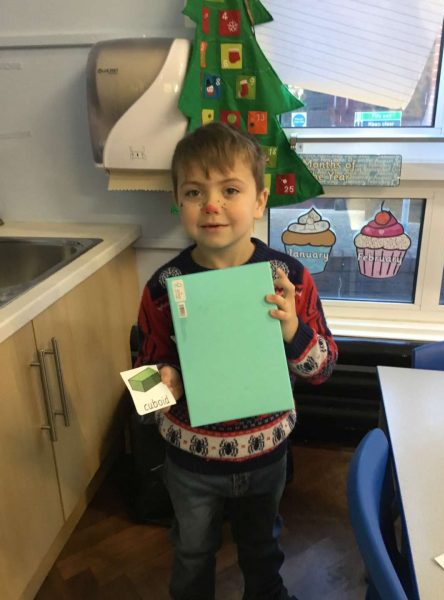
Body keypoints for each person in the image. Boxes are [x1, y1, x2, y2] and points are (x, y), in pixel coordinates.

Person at [135, 122, 338, 600]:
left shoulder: (288, 279)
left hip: (266, 456)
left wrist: (292, 330)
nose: (211, 204)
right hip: (191, 461)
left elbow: (324, 368)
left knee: (263, 551)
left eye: (230, 190)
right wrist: (165, 384)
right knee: (191, 553)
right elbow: (142, 381)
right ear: (177, 201)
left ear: (260, 200)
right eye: (194, 192)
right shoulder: (163, 286)